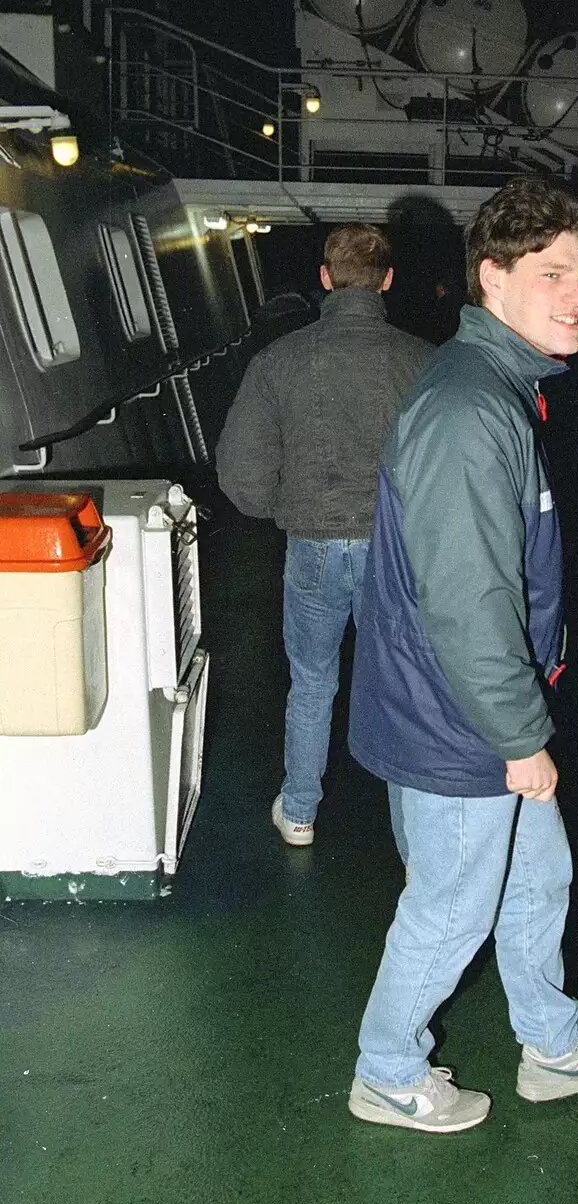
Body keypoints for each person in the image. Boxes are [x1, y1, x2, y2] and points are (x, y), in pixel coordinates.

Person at [345, 177, 578, 1133]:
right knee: (450, 908)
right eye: (553, 272)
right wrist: (521, 737)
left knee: (540, 876)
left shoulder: (497, 391)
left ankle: (552, 1048)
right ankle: (387, 1071)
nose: (577, 296)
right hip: (458, 720)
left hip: (468, 710)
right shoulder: (472, 412)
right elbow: (471, 602)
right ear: (492, 278)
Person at [216, 224, 433, 845]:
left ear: (324, 278)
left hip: (311, 543)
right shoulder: (421, 360)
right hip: (392, 549)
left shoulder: (278, 360)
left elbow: (239, 470)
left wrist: (281, 506)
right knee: (399, 685)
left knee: (312, 682)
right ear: (387, 281)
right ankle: (414, 838)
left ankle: (301, 813)